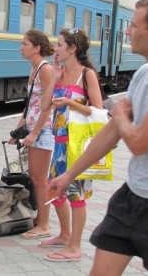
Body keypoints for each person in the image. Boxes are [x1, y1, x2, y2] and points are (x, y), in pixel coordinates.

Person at [48, 0, 148, 275]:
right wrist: (69, 175)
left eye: (134, 24)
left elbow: (139, 142)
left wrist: (121, 117)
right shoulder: (145, 73)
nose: (127, 30)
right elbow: (110, 135)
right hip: (131, 196)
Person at [39, 28, 104, 261]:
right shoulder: (60, 72)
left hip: (77, 147)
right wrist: (55, 79)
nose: (55, 49)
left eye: (59, 44)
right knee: (54, 189)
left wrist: (70, 103)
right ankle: (64, 235)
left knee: (76, 196)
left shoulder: (87, 75)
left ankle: (75, 248)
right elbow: (45, 106)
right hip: (58, 144)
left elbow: (98, 111)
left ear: (73, 48)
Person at [9, 29, 59, 239]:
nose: (21, 48)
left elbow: (49, 106)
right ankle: (40, 219)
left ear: (37, 48)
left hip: (43, 130)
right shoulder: (35, 70)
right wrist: (18, 129)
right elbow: (31, 105)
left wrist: (35, 132)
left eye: (25, 44)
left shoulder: (45, 70)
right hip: (33, 129)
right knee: (35, 177)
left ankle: (44, 225)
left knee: (40, 180)